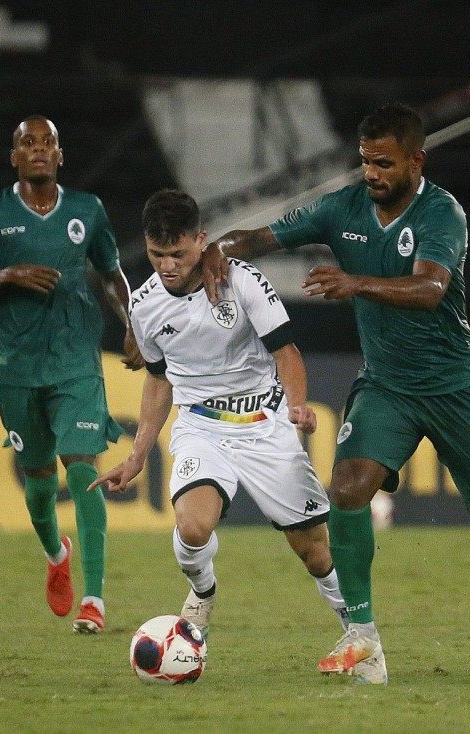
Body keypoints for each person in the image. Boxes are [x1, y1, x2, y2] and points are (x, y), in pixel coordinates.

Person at [199, 103, 470, 683]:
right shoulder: (341, 208)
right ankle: (362, 636)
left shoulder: (442, 213)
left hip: (454, 388)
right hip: (387, 386)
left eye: (384, 163)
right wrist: (215, 251)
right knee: (347, 490)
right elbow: (262, 236)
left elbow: (429, 289)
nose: (371, 173)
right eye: (366, 161)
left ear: (416, 161)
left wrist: (355, 283)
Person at [92, 189, 349, 650]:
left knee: (313, 551)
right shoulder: (145, 306)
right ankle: (203, 592)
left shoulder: (241, 280)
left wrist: (298, 405)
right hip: (201, 425)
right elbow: (158, 381)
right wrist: (136, 456)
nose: (167, 266)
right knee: (192, 528)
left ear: (200, 240)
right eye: (156, 255)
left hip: (264, 420)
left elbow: (286, 351)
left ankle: (356, 631)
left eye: (177, 254)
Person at [0, 116, 137, 633]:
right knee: (37, 482)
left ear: (60, 155)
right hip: (16, 362)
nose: (37, 149)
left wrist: (133, 327)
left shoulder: (87, 209)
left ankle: (94, 600)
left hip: (75, 358)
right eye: (27, 143)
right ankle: (57, 554)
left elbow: (113, 274)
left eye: (47, 142)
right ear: (14, 157)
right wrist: (6, 276)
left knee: (82, 467)